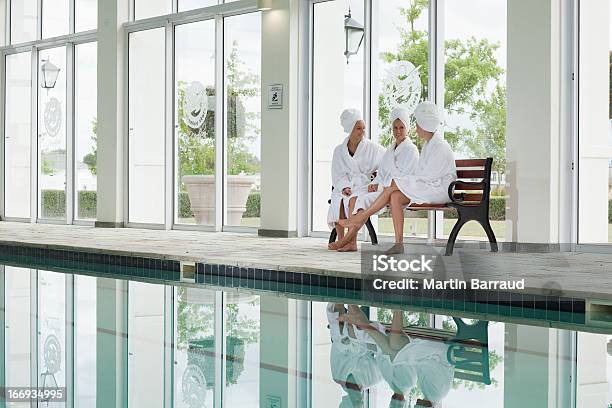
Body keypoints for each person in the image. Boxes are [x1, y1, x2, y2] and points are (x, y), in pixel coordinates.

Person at [335, 102, 456, 253]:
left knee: (394, 185)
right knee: (395, 195)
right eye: (395, 127)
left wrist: (393, 183)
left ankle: (359, 219)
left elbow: (426, 176)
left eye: (417, 125)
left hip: (439, 189)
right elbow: (389, 172)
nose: (416, 128)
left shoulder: (438, 146)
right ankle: (399, 244)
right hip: (426, 186)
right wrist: (379, 183)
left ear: (425, 125)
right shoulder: (427, 145)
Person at [339, 308, 454, 408]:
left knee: (355, 335)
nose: (415, 405)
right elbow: (432, 365)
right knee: (393, 345)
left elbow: (382, 359)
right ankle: (396, 307)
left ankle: (352, 305)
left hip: (414, 351)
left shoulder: (425, 391)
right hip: (437, 353)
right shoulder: (433, 393)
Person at [350, 107, 419, 248]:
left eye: (401, 127)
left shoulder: (411, 150)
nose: (398, 131)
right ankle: (351, 241)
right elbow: (382, 171)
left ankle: (348, 238)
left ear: (407, 128)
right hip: (385, 188)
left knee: (383, 197)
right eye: (395, 128)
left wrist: (381, 185)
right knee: (358, 197)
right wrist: (375, 182)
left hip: (404, 190)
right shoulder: (390, 150)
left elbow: (402, 178)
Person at [327, 109, 385, 252]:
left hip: (364, 185)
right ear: (350, 129)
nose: (362, 131)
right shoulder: (339, 150)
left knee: (354, 199)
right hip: (346, 186)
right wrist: (344, 187)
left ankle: (351, 242)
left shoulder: (373, 148)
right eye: (359, 128)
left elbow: (386, 166)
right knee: (338, 199)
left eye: (363, 128)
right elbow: (337, 174)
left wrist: (375, 182)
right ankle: (342, 240)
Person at [326, 303, 386, 407]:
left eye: (355, 403)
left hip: (343, 341)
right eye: (361, 403)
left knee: (338, 328)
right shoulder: (373, 378)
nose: (359, 399)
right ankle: (351, 300)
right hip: (364, 340)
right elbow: (384, 354)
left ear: (345, 402)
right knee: (354, 332)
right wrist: (370, 347)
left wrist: (345, 338)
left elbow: (336, 348)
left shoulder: (337, 376)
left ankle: (339, 296)